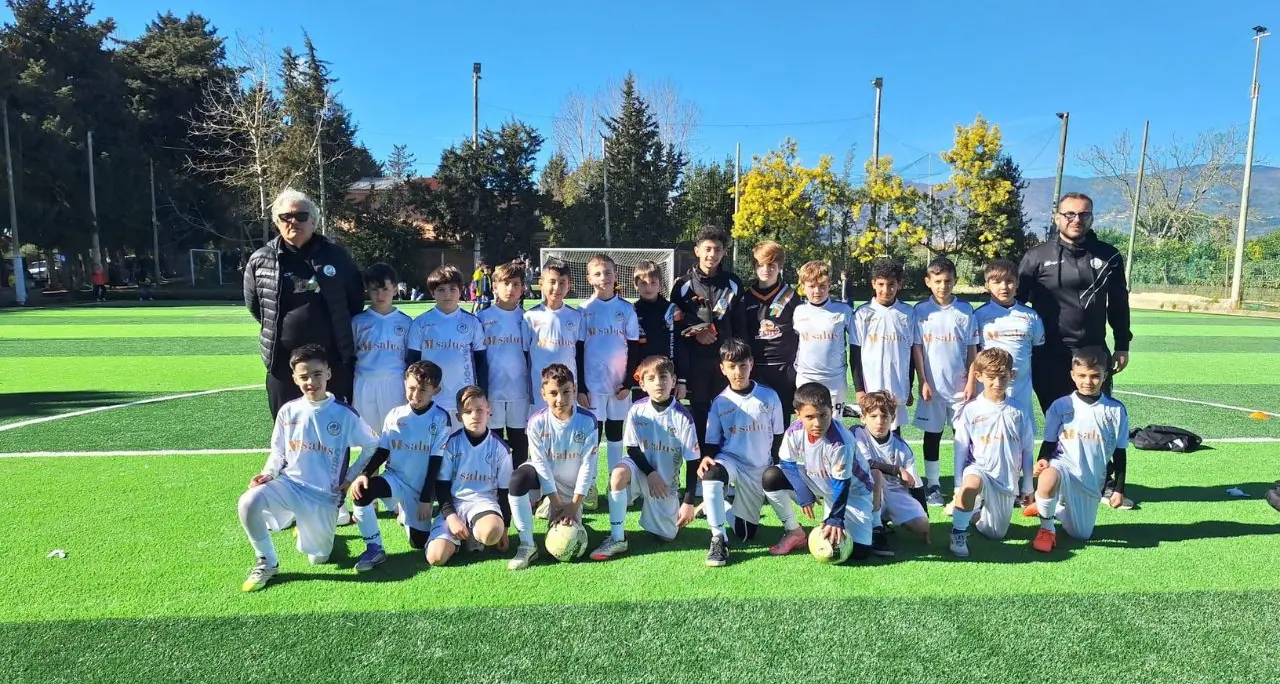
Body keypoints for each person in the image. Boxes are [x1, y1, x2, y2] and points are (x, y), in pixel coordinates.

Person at [236, 344, 379, 591]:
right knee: (247, 502)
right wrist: (268, 473)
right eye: (303, 376)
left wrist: (352, 477)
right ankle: (267, 561)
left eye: (316, 374)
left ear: (328, 374)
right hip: (289, 484)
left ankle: (310, 528)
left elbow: (372, 445)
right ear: (294, 378)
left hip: (323, 495)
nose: (311, 381)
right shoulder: (288, 411)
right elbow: (278, 451)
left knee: (318, 558)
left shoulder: (344, 414)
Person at [244, 188, 365, 418]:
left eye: (301, 216)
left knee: (335, 429)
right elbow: (256, 306)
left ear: (314, 222)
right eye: (285, 217)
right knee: (288, 432)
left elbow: (355, 301)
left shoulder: (337, 256)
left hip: (333, 363)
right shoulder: (261, 259)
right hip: (283, 365)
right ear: (276, 222)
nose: (293, 222)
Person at [1019, 192, 1133, 413]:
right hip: (1049, 354)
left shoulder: (1110, 256)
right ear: (1057, 217)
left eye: (1083, 214)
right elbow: (1016, 306)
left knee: (1095, 420)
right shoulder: (1036, 257)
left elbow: (1119, 303)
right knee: (1058, 422)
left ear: (1091, 218)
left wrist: (1122, 344)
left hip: (1094, 352)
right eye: (1069, 214)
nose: (1076, 220)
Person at [590, 356, 700, 561]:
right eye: (651, 378)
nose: (658, 383)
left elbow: (693, 462)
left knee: (667, 536)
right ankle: (617, 537)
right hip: (642, 471)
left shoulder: (683, 417)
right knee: (618, 475)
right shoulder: (637, 410)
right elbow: (631, 448)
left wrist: (688, 503)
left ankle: (675, 509)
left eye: (664, 377)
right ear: (642, 384)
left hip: (664, 484)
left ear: (674, 381)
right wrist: (650, 473)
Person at [348, 361, 453, 571]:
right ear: (405, 384)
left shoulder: (441, 418)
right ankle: (374, 548)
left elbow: (435, 462)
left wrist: (425, 500)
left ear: (436, 390)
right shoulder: (395, 415)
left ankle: (406, 514)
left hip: (420, 487)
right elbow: (383, 450)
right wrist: (365, 474)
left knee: (418, 544)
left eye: (423, 390)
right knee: (362, 492)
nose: (416, 395)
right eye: (411, 388)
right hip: (395, 478)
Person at [696, 338, 790, 567]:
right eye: (732, 366)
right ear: (722, 368)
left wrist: (776, 469)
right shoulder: (720, 402)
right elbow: (712, 442)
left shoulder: (769, 397)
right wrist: (707, 457)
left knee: (746, 533)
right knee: (712, 473)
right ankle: (718, 538)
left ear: (751, 364)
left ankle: (715, 506)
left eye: (743, 365)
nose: (738, 372)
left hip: (758, 468)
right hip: (731, 461)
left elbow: (779, 437)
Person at [1026, 348, 1129, 552]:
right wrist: (1043, 460)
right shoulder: (1060, 406)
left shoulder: (1116, 410)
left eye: (1094, 376)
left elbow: (1120, 452)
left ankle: (1048, 506)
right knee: (1048, 478)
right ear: (1073, 375)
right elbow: (1049, 442)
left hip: (1090, 479)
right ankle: (1047, 529)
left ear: (1105, 376)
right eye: (1081, 376)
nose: (1087, 382)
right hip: (1063, 467)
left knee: (1081, 534)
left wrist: (1118, 489)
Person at [506, 363, 599, 570]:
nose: (560, 399)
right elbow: (540, 465)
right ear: (543, 394)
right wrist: (556, 502)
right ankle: (527, 545)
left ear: (574, 390)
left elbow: (587, 467)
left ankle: (562, 508)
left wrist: (573, 505)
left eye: (566, 392)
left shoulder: (588, 421)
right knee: (517, 479)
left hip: (573, 488)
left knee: (571, 527)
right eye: (553, 393)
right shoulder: (536, 422)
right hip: (545, 481)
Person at [772, 382, 878, 562]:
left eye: (823, 415)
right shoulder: (794, 431)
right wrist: (804, 494)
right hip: (820, 482)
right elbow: (787, 463)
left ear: (831, 410)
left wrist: (836, 519)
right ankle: (793, 531)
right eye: (810, 417)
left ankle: (876, 518)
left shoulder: (840, 443)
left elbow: (842, 484)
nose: (818, 423)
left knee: (859, 554)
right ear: (798, 415)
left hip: (854, 492)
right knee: (771, 477)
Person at [949, 348, 1035, 559]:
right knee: (971, 485)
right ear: (978, 376)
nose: (997, 383)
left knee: (996, 533)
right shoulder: (970, 410)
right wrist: (958, 484)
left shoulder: (1019, 411)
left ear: (1011, 375)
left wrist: (1027, 486)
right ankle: (958, 533)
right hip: (979, 468)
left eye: (1003, 376)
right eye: (991, 377)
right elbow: (961, 448)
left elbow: (1027, 449)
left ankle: (975, 513)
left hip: (1005, 477)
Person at [671, 225, 748, 449]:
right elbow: (675, 325)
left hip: (726, 365)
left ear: (723, 253)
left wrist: (739, 361)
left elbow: (741, 326)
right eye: (707, 249)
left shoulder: (733, 283)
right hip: (695, 364)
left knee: (729, 417)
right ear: (697, 250)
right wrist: (696, 332)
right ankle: (698, 477)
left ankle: (726, 473)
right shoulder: (682, 285)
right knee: (700, 420)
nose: (711, 255)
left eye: (717, 249)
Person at [911, 256, 979, 506]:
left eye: (948, 281)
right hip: (933, 388)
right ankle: (933, 485)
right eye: (937, 281)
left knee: (962, 436)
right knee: (933, 435)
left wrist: (972, 382)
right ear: (928, 282)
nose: (943, 286)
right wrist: (923, 381)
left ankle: (962, 484)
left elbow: (973, 350)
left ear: (955, 281)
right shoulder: (920, 311)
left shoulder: (965, 310)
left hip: (961, 388)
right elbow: (917, 349)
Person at [425, 386, 513, 566]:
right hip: (455, 504)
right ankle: (457, 539)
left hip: (483, 503)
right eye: (468, 411)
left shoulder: (500, 448)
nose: (475, 415)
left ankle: (475, 533)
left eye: (480, 410)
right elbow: (441, 486)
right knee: (435, 558)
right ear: (459, 417)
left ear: (489, 412)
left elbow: (505, 491)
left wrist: (504, 528)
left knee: (492, 533)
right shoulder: (451, 444)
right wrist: (452, 517)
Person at [581, 254, 641, 473]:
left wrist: (627, 382)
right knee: (593, 433)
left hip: (618, 385)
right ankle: (590, 485)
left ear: (616, 275)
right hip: (592, 384)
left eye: (607, 272)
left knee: (616, 431)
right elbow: (579, 350)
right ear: (589, 278)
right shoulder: (583, 310)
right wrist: (581, 387)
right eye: (597, 273)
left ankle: (617, 482)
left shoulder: (626, 309)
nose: (603, 277)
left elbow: (634, 348)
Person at [971, 259, 1046, 423]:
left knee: (1020, 437)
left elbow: (1038, 351)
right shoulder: (978, 316)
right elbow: (973, 353)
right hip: (988, 388)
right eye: (997, 282)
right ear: (987, 285)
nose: (1004, 287)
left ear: (1017, 284)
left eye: (1009, 281)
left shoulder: (1031, 316)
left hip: (1021, 390)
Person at [406, 265, 487, 414]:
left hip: (464, 397)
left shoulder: (472, 322)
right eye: (441, 290)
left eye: (452, 289)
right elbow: (412, 362)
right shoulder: (421, 323)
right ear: (432, 292)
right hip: (429, 398)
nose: (447, 295)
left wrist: (483, 394)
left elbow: (481, 362)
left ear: (461, 291)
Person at [857, 391, 929, 557]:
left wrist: (925, 514)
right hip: (867, 491)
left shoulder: (902, 448)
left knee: (922, 526)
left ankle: (884, 519)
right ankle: (876, 529)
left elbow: (916, 484)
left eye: (884, 416)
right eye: (873, 416)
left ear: (893, 418)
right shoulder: (858, 434)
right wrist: (897, 470)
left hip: (895, 491)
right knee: (875, 474)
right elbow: (867, 464)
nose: (879, 422)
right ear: (863, 418)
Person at [477, 262, 531, 466]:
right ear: (494, 285)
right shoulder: (482, 318)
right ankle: (495, 490)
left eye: (516, 284)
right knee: (493, 442)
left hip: (521, 392)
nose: (511, 289)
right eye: (506, 283)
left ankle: (517, 491)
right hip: (492, 392)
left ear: (522, 288)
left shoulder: (528, 318)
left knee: (520, 442)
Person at [852, 258, 915, 430]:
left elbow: (911, 354)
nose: (885, 290)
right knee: (872, 428)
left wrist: (909, 387)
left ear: (899, 284)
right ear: (873, 283)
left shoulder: (908, 313)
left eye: (891, 284)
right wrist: (859, 389)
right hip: (871, 384)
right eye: (880, 284)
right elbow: (855, 355)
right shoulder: (862, 314)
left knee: (894, 429)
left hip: (897, 384)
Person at [743, 241, 802, 425]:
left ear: (780, 267)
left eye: (771, 265)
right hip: (757, 368)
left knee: (781, 420)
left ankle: (779, 455)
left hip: (785, 369)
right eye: (760, 265)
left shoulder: (791, 296)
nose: (766, 269)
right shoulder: (746, 297)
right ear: (754, 267)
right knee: (757, 420)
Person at [351, 263, 412, 436]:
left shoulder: (406, 323)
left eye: (385, 289)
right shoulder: (358, 322)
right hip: (364, 383)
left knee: (395, 435)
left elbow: (409, 357)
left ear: (394, 289)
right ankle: (371, 465)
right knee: (368, 438)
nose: (380, 295)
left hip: (395, 384)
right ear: (367, 291)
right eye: (374, 289)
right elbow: (352, 353)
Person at [793, 260, 855, 418]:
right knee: (809, 425)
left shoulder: (843, 311)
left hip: (835, 380)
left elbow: (857, 345)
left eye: (822, 286)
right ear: (803, 287)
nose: (817, 291)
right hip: (806, 378)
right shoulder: (798, 312)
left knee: (834, 425)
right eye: (811, 286)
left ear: (829, 285)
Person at [523, 259, 586, 410]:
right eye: (552, 281)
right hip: (540, 389)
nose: (557, 287)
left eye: (562, 282)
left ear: (569, 285)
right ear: (541, 283)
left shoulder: (576, 316)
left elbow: (580, 354)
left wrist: (581, 387)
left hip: (568, 388)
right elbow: (525, 355)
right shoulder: (530, 317)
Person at [631, 260, 685, 402]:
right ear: (635, 285)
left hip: (667, 377)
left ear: (660, 284)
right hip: (641, 379)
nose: (648, 287)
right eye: (643, 283)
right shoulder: (630, 311)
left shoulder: (672, 310)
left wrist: (682, 380)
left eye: (653, 282)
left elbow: (680, 346)